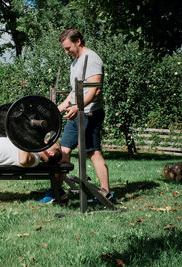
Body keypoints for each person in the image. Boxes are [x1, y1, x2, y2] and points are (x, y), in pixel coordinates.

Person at [38, 28, 113, 204]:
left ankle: (106, 193)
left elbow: (95, 89)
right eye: (64, 49)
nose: (66, 52)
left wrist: (78, 106)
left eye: (67, 47)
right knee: (64, 150)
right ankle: (58, 192)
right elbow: (74, 93)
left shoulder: (91, 59)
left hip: (90, 113)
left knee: (92, 152)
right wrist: (57, 109)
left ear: (78, 41)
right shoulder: (75, 63)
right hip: (76, 113)